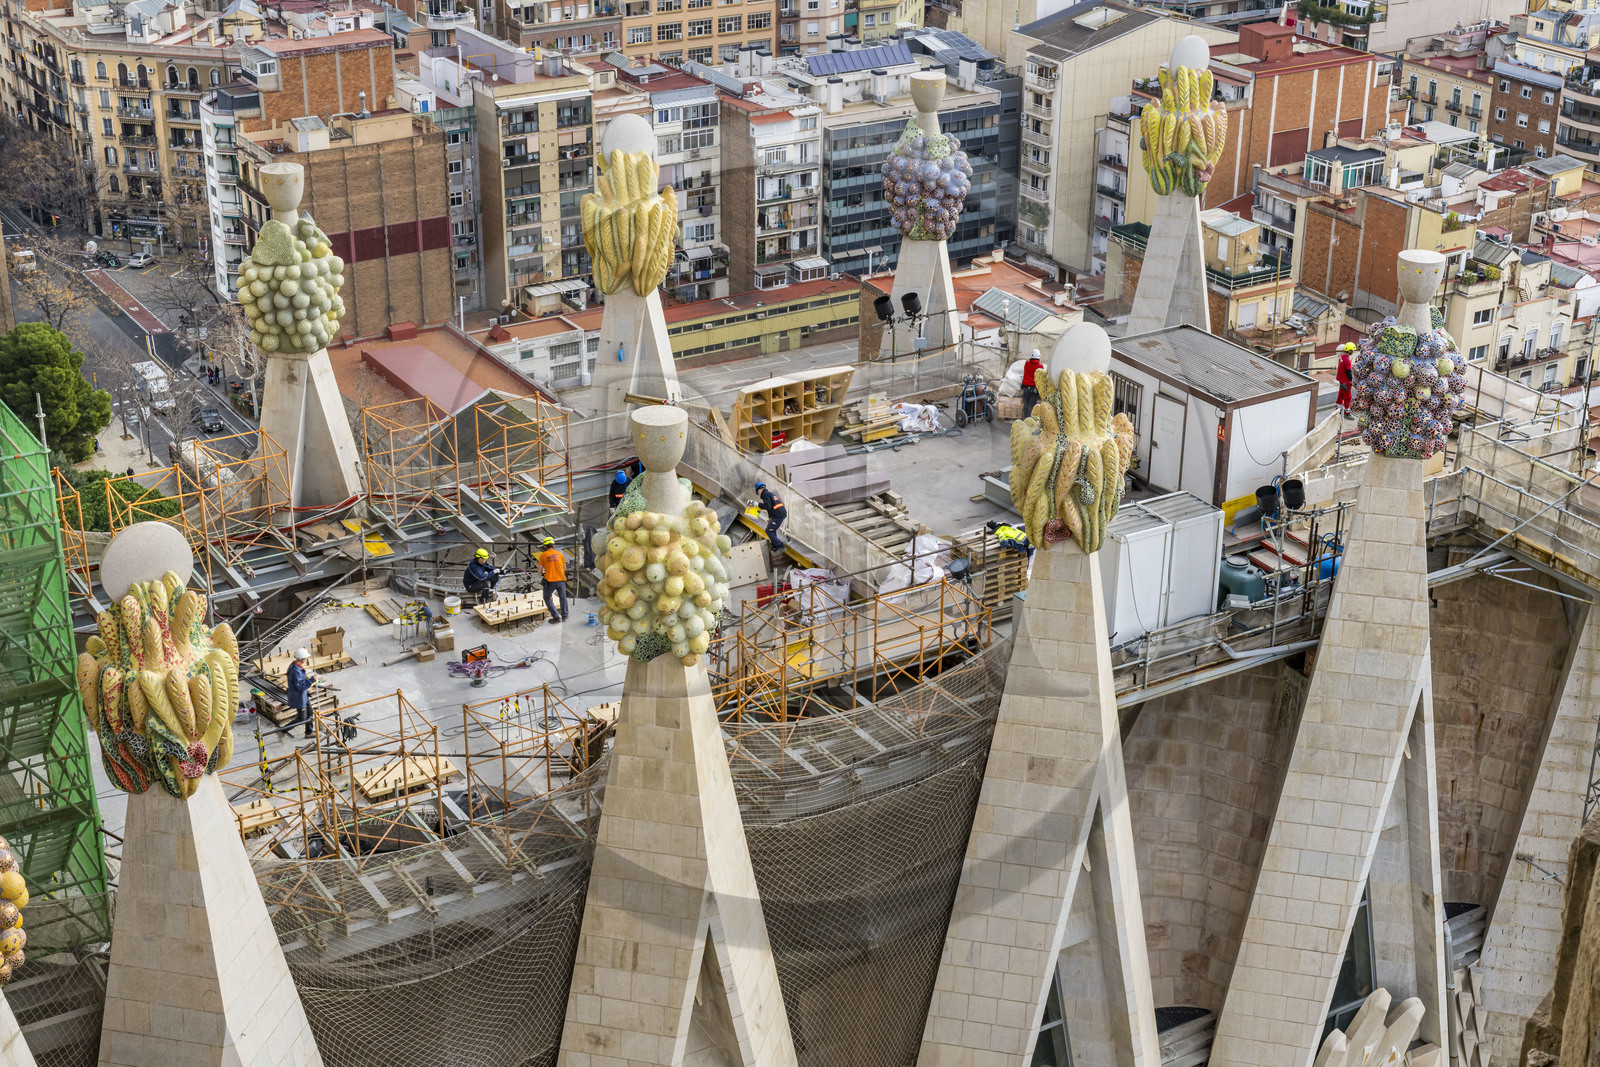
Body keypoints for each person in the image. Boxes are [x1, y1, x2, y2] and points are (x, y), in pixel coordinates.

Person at [537, 536, 569, 624]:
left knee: (547, 598)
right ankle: (565, 616)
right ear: (553, 545)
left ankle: (556, 617)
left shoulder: (543, 555)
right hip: (561, 579)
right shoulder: (560, 554)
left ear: (545, 546)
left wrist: (545, 573)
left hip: (550, 581)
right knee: (563, 597)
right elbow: (564, 568)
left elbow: (539, 571)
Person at [285, 649, 316, 739]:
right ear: (302, 659)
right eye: (305, 658)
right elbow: (301, 687)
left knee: (310, 712)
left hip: (303, 696)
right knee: (302, 718)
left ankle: (309, 732)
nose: (306, 659)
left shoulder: (296, 665)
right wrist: (312, 679)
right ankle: (283, 730)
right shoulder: (296, 670)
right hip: (299, 697)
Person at [755, 481, 787, 554]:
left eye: (758, 492)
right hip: (779, 514)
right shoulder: (770, 494)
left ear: (759, 490)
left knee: (769, 531)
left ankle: (780, 547)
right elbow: (771, 508)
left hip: (778, 515)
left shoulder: (764, 495)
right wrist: (770, 518)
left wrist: (758, 504)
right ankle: (775, 545)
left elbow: (767, 506)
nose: (759, 494)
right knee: (772, 529)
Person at [1021, 351, 1045, 416]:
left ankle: (1023, 421)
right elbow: (1040, 379)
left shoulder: (1027, 363)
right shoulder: (1040, 366)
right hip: (1034, 389)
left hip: (1026, 388)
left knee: (1025, 407)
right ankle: (1028, 422)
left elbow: (1025, 373)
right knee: (1031, 408)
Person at [1336, 342, 1356, 417]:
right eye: (1353, 350)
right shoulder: (1347, 360)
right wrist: (1351, 381)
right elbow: (1348, 372)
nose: (1353, 352)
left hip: (1341, 379)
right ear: (1349, 351)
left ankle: (1338, 407)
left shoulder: (1342, 356)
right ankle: (1347, 412)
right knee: (1347, 396)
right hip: (1345, 380)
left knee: (1341, 394)